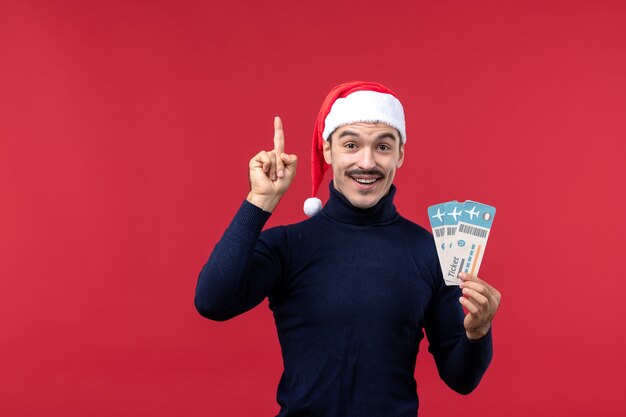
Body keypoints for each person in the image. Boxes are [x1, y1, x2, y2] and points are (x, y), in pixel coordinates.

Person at [195, 81, 501, 416]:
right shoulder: (288, 246)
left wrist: (478, 334)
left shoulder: (430, 251)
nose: (366, 162)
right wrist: (260, 201)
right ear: (328, 151)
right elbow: (213, 302)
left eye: (383, 147)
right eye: (351, 144)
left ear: (400, 154)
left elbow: (462, 378)